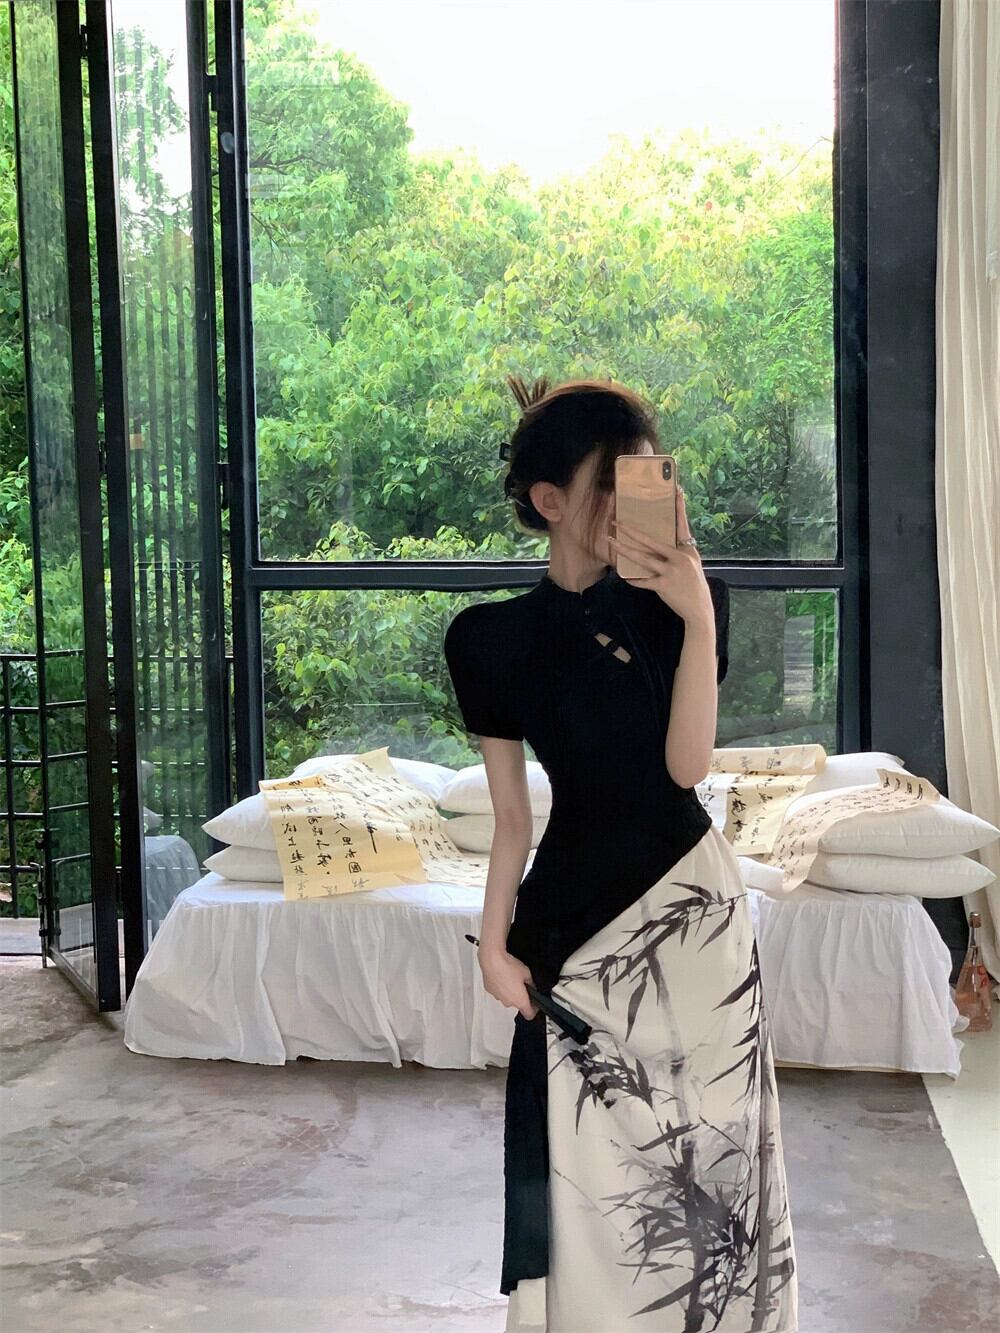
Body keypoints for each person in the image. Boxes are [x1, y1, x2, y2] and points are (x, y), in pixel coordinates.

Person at [443, 376, 799, 1333]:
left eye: (649, 475)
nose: (636, 499)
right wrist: (491, 944)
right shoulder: (488, 639)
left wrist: (698, 613)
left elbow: (685, 769)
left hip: (695, 924)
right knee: (594, 1184)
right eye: (613, 481)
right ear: (549, 499)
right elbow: (511, 820)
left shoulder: (684, 606)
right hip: (574, 937)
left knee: (717, 1166)